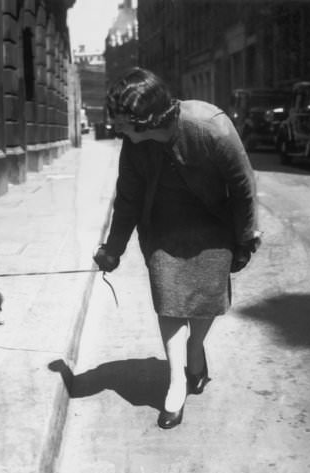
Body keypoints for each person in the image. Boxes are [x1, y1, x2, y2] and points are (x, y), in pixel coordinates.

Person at [93, 68, 260, 429]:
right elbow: (127, 199)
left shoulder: (211, 127)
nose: (116, 129)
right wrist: (113, 248)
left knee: (205, 302)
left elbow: (243, 184)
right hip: (163, 228)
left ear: (146, 120)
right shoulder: (134, 146)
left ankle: (195, 350)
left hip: (212, 225)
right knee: (169, 299)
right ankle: (176, 381)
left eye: (121, 123)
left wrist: (245, 238)